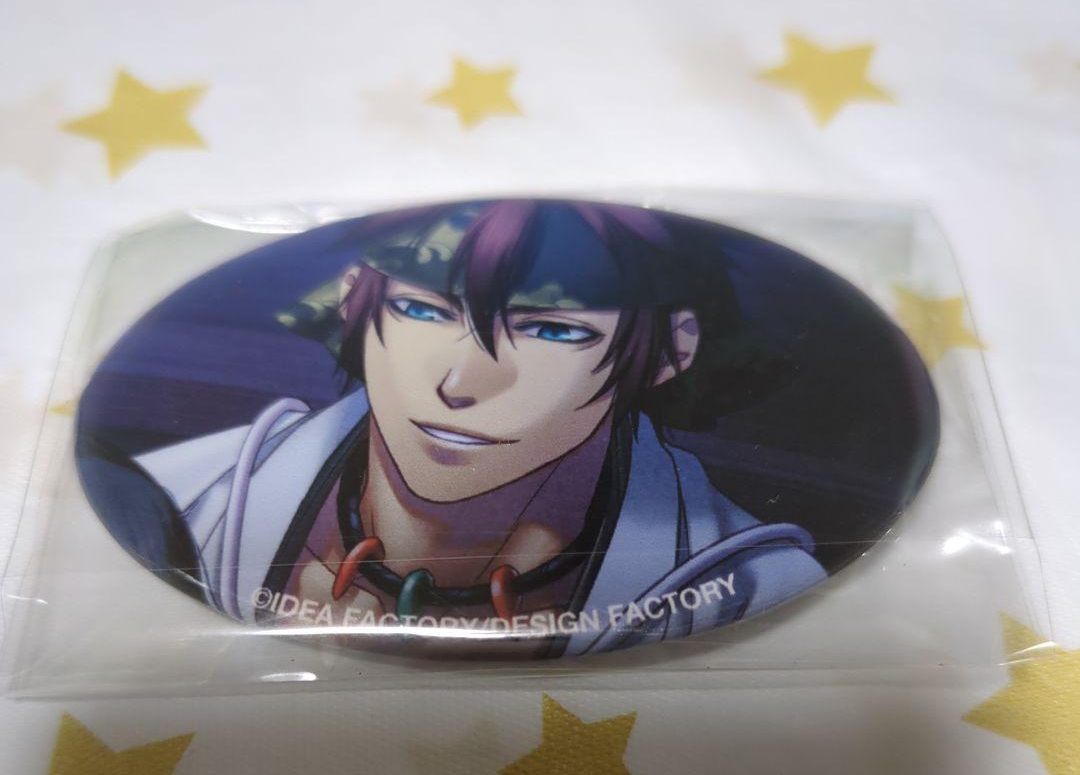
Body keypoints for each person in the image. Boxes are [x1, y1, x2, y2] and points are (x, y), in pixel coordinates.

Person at [107, 199, 826, 656]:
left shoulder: (751, 584)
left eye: (551, 329)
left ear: (671, 351)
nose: (459, 384)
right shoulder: (184, 500)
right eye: (421, 311)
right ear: (356, 303)